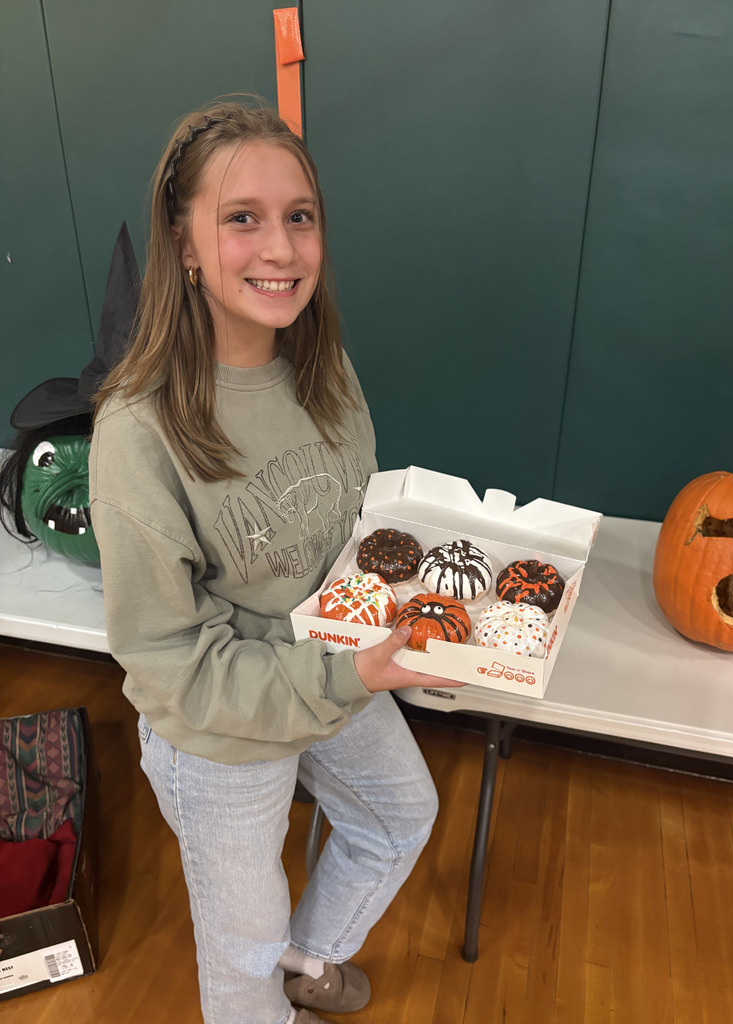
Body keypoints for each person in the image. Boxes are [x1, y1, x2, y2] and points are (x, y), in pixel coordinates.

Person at [89, 99, 463, 1024]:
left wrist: (413, 610)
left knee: (396, 817)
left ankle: (312, 957)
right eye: (242, 218)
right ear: (184, 243)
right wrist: (346, 671)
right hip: (215, 734)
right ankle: (271, 981)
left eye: (300, 216)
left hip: (331, 669)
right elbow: (169, 661)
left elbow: (350, 533)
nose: (282, 249)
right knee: (240, 951)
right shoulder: (138, 434)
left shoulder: (325, 369)